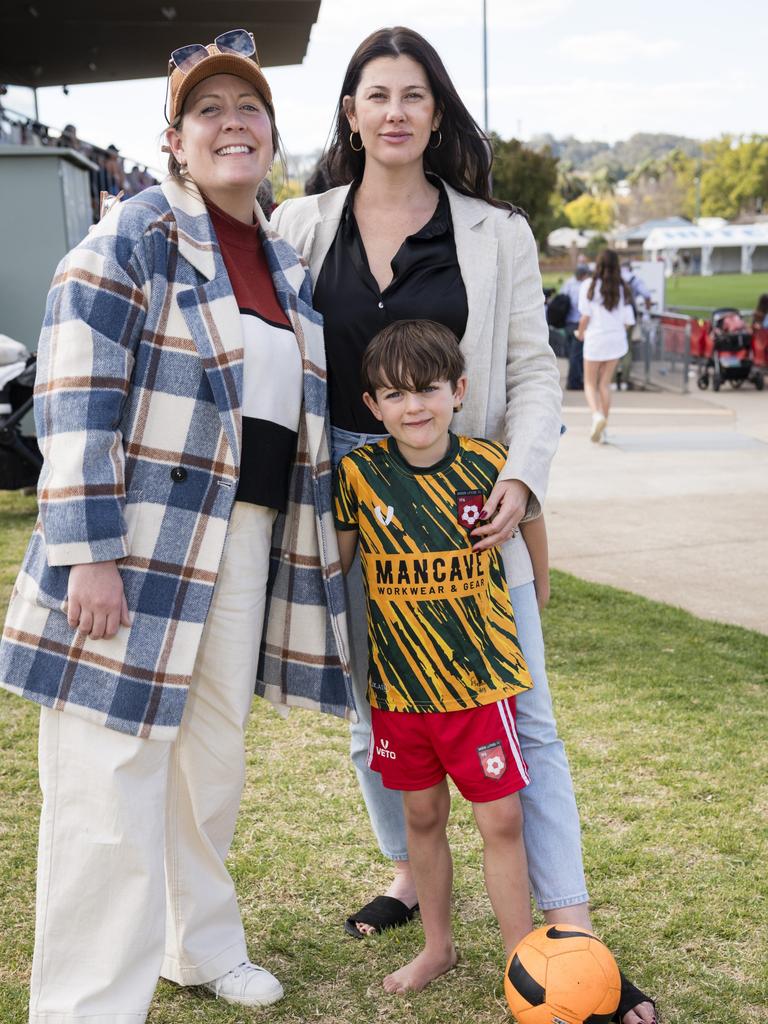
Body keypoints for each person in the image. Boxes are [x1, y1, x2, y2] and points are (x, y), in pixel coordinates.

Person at [271, 26, 656, 1024]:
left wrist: (521, 485)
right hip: (349, 498)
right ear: (350, 114)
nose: (395, 109)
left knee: (526, 718)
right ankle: (413, 873)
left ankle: (563, 930)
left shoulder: (497, 231)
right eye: (375, 93)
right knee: (374, 718)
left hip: (473, 495)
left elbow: (533, 371)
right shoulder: (299, 224)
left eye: (414, 93)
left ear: (436, 113)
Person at [0, 29, 352, 1021]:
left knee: (209, 765)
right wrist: (90, 553)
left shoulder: (280, 262)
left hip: (241, 541)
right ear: (175, 138)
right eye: (210, 110)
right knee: (108, 776)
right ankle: (81, 1006)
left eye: (248, 108)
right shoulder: (136, 234)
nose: (232, 123)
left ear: (272, 135)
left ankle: (196, 945)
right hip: (137, 542)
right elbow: (75, 394)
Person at [334, 319, 535, 993]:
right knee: (422, 817)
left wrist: (538, 606)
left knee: (500, 818)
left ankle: (523, 962)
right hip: (400, 689)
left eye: (427, 389)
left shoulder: (488, 464)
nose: (413, 407)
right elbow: (336, 566)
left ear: (459, 390)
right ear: (372, 406)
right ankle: (438, 947)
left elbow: (531, 535)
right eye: (393, 395)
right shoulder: (359, 474)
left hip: (478, 685)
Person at [576, 249, 635, 444]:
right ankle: (605, 428)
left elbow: (585, 316)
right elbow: (628, 320)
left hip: (595, 338)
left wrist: (580, 332)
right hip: (616, 340)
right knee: (605, 384)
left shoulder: (588, 285)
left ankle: (596, 416)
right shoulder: (622, 287)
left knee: (590, 383)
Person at [559, 262, 591, 390]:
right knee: (577, 354)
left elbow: (561, 298)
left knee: (572, 353)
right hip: (580, 323)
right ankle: (574, 382)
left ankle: (575, 380)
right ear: (585, 274)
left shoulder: (568, 283)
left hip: (568, 323)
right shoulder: (587, 286)